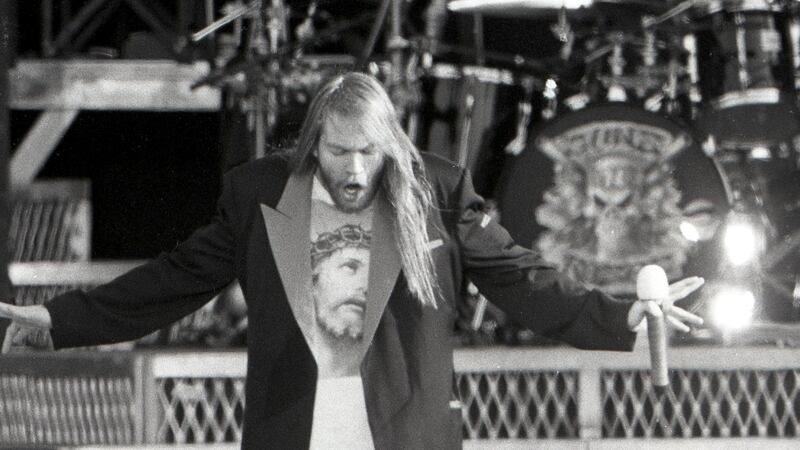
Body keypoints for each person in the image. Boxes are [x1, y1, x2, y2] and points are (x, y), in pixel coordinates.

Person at [0, 72, 704, 449]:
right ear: (314, 143)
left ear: (389, 144)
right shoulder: (258, 195)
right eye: (340, 152)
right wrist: (57, 317)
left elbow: (521, 277)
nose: (357, 168)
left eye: (370, 151)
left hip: (404, 431)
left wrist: (623, 316)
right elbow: (177, 277)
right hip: (294, 428)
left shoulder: (438, 188)